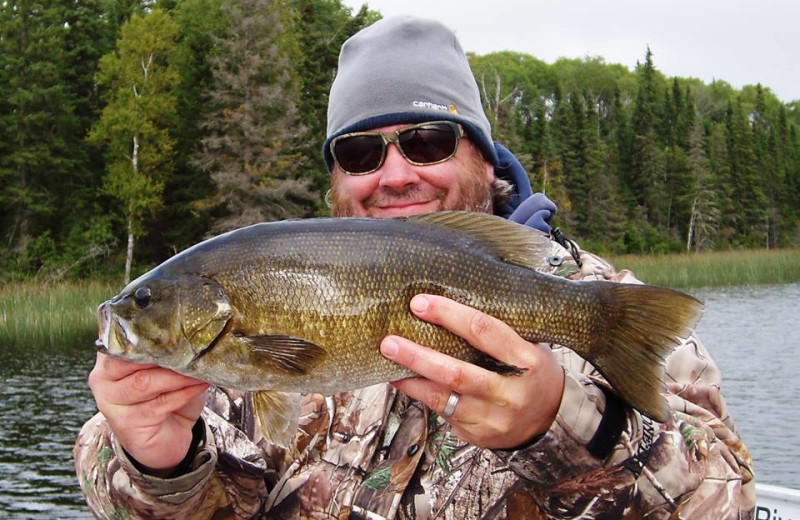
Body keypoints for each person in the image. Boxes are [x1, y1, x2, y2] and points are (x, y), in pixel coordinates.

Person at [74, 15, 755, 520]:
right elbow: (185, 496)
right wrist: (157, 458)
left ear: (484, 160)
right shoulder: (224, 355)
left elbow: (725, 495)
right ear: (336, 180)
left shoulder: (596, 304)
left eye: (426, 142)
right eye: (362, 154)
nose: (394, 175)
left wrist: (563, 421)